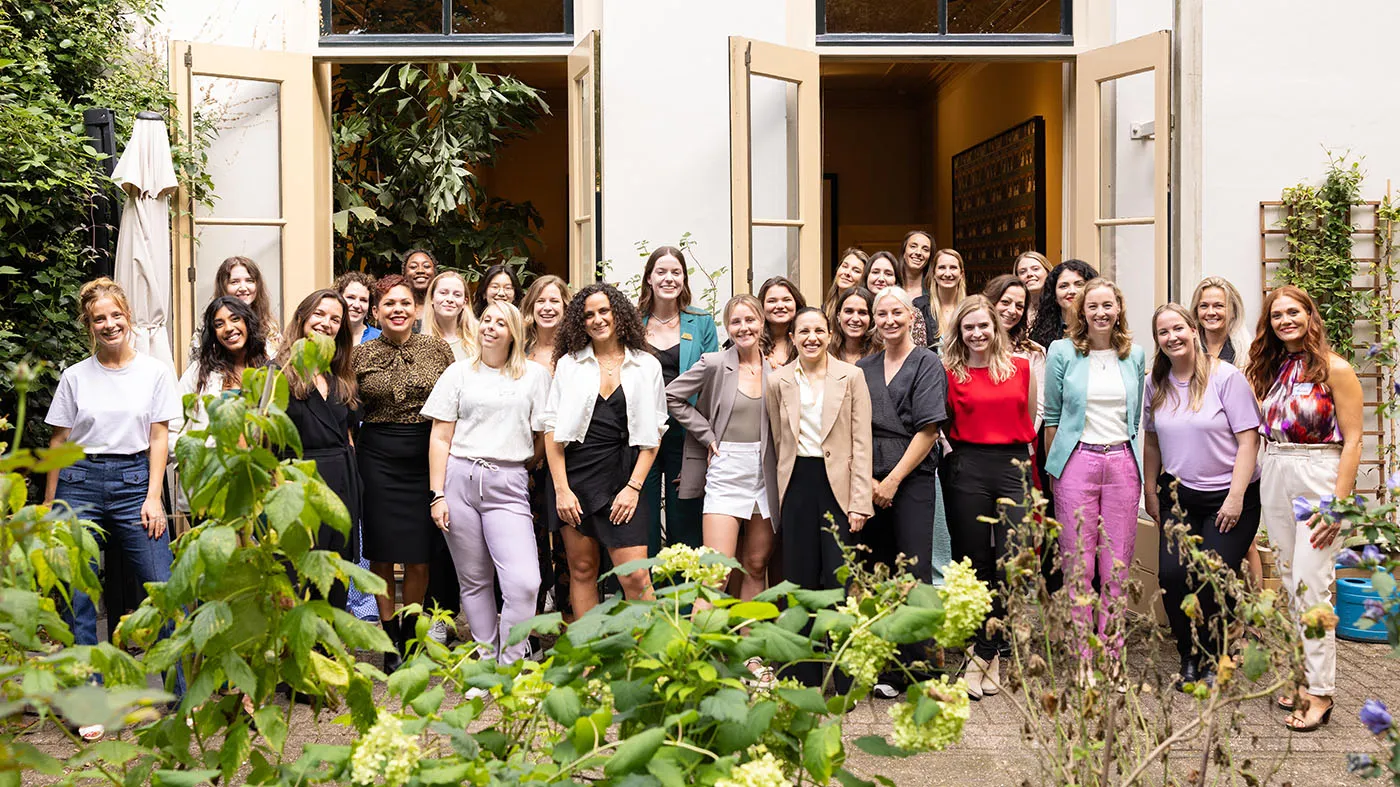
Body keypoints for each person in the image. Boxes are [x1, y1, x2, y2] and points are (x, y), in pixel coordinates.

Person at [44, 278, 184, 740]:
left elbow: (159, 436)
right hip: (78, 483)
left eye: (115, 315)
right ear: (89, 325)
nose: (109, 324)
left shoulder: (154, 372)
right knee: (78, 595)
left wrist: (154, 496)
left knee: (163, 587)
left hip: (134, 483)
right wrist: (49, 504)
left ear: (128, 317)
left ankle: (180, 697)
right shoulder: (75, 376)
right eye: (99, 318)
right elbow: (59, 442)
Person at [1245, 285, 1363, 732]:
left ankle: (1320, 691)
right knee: (1292, 581)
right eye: (1277, 315)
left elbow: (1354, 440)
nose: (1285, 320)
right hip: (1276, 466)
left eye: (1293, 312)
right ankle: (1301, 677)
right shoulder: (1270, 369)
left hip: (1318, 472)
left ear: (1310, 315)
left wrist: (1339, 504)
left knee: (1313, 584)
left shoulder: (1336, 369)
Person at [1141, 304, 1261, 691]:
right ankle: (1189, 654)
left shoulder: (1226, 378)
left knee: (1213, 577)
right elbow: (1152, 440)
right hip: (1178, 496)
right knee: (1173, 576)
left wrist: (1236, 497)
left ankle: (1215, 655)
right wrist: (1150, 490)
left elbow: (1249, 440)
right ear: (1157, 340)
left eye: (1178, 328)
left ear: (1193, 330)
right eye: (1163, 332)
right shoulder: (1155, 382)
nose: (1172, 337)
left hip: (1229, 497)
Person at [424, 301, 551, 666]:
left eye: (500, 323)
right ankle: (485, 660)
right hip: (459, 479)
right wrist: (437, 494)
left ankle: (510, 662)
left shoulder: (535, 375)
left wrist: (519, 466)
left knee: (524, 582)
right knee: (474, 579)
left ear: (514, 333)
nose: (490, 327)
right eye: (486, 320)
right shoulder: (458, 373)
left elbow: (543, 435)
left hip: (508, 483)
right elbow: (440, 437)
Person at [1043, 278, 1147, 680]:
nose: (1101, 313)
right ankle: (1084, 656)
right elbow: (1053, 416)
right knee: (1079, 566)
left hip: (1121, 462)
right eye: (1093, 306)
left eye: (1108, 305)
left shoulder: (1134, 354)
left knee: (1116, 566)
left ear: (1118, 309)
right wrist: (1054, 470)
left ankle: (1113, 655)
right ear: (1081, 312)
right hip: (1077, 462)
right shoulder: (1062, 351)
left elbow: (1135, 419)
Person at [352, 274, 456, 672]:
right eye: (389, 304)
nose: (398, 309)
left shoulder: (437, 349)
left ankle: (411, 636)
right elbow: (347, 407)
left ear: (416, 309)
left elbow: (454, 403)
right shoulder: (359, 355)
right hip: (376, 457)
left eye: (405, 303)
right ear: (376, 312)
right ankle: (389, 638)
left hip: (425, 455)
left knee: (419, 555)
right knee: (381, 552)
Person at [544, 283, 667, 615]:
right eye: (589, 315)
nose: (597, 319)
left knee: (636, 577)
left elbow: (654, 434)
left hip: (624, 477)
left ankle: (651, 649)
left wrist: (633, 488)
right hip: (575, 476)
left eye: (604, 311)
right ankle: (589, 650)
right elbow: (551, 429)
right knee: (583, 570)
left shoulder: (647, 365)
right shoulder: (569, 364)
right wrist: (562, 490)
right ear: (580, 322)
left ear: (618, 314)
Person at [767, 307, 873, 687]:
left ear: (830, 335)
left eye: (818, 331)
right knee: (799, 578)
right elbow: (778, 440)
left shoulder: (851, 376)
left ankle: (845, 676)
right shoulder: (778, 380)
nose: (811, 337)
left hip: (838, 487)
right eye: (803, 331)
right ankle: (804, 674)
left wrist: (860, 500)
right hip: (797, 483)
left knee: (839, 576)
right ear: (793, 337)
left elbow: (862, 442)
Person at [940, 295, 1037, 700]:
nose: (977, 333)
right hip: (968, 467)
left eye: (984, 326)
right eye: (969, 327)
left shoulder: (1021, 368)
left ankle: (983, 652)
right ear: (959, 332)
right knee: (975, 561)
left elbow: (1030, 415)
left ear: (996, 328)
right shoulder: (950, 372)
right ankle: (987, 652)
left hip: (1013, 466)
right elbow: (944, 422)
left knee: (1012, 561)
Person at [858, 286, 948, 696]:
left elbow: (929, 430)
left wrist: (893, 480)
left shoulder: (928, 363)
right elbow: (853, 428)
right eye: (882, 314)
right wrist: (870, 481)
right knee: (880, 570)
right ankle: (889, 666)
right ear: (874, 321)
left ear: (912, 317)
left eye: (897, 312)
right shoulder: (863, 367)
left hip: (911, 479)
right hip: (869, 479)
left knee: (914, 570)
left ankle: (921, 667)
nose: (889, 320)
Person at [665, 294, 780, 599]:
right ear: (727, 327)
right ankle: (701, 633)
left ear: (762, 322)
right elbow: (672, 396)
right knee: (716, 574)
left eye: (750, 319)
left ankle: (748, 632)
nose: (744, 327)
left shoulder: (776, 372)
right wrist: (707, 434)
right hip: (726, 469)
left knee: (756, 566)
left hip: (764, 473)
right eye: (735, 321)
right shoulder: (714, 363)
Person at [280, 289, 362, 610]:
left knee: (334, 586)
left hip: (341, 488)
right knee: (297, 584)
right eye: (319, 314)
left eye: (335, 319)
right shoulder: (277, 373)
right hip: (299, 487)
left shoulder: (341, 376)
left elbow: (348, 433)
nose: (326, 323)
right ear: (302, 317)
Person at [638, 246, 719, 555]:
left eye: (676, 272)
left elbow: (711, 385)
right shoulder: (632, 321)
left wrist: (706, 439)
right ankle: (642, 585)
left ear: (684, 279)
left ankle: (682, 589)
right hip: (642, 434)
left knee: (685, 526)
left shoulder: (701, 322)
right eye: (661, 272)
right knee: (642, 523)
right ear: (649, 278)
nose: (668, 278)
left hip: (686, 435)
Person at [173, 297, 271, 512]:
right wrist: (193, 462)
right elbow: (173, 425)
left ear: (247, 323)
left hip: (256, 483)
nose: (228, 328)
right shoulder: (198, 373)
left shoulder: (269, 370)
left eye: (235, 319)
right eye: (219, 324)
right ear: (213, 333)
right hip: (208, 483)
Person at [521, 274, 572, 615]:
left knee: (570, 545)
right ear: (530, 306)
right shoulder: (518, 350)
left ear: (566, 306)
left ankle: (569, 618)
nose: (547, 307)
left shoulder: (576, 352)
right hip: (527, 461)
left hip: (570, 459)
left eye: (555, 300)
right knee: (531, 543)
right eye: (541, 300)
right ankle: (533, 623)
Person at [191, 256, 282, 360]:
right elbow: (195, 366)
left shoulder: (269, 326)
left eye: (249, 280)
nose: (243, 288)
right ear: (223, 286)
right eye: (235, 282)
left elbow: (279, 364)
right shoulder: (207, 326)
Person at [865, 251, 930, 348]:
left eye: (888, 274)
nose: (881, 278)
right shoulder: (858, 312)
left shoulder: (912, 313)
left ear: (896, 279)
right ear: (866, 276)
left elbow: (919, 353)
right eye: (875, 272)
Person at [1030, 259, 1098, 351]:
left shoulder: (1101, 327)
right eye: (1063, 286)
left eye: (1079, 284)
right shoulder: (1041, 335)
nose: (1072, 291)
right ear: (1054, 295)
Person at [1191, 276, 1251, 364]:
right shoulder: (1188, 349)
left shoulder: (1248, 353)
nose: (1210, 312)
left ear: (1234, 311)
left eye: (1218, 306)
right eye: (1204, 306)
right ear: (1196, 311)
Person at [899, 231, 941, 349]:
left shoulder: (935, 293)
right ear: (904, 252)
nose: (918, 253)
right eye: (913, 246)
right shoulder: (890, 288)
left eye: (925, 249)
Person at [426, 270, 478, 362]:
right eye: (443, 293)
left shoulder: (479, 337)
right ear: (432, 298)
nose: (450, 299)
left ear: (464, 302)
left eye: (457, 295)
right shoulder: (420, 342)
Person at [758, 275, 805, 368]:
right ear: (761, 306)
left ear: (797, 303)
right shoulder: (752, 343)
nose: (780, 306)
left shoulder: (807, 340)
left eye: (786, 300)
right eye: (772, 301)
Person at [829, 286, 877, 364]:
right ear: (838, 316)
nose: (855, 319)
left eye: (862, 313)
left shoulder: (882, 354)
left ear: (871, 318)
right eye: (849, 311)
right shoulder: (825, 352)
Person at [928, 248, 968, 340]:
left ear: (961, 274)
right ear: (933, 273)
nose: (947, 274)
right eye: (942, 267)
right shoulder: (920, 308)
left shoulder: (971, 307)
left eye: (953, 268)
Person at [335, 271, 380, 346]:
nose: (356, 305)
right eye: (350, 297)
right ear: (338, 299)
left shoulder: (379, 338)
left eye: (363, 300)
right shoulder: (328, 334)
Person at [823, 248, 869, 317]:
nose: (847, 273)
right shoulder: (825, 310)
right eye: (845, 266)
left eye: (856, 271)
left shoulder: (868, 311)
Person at [1013, 251, 1051, 330]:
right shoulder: (1014, 310)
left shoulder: (1060, 306)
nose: (1029, 274)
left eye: (1035, 269)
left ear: (1048, 272)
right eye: (1022, 272)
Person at [402, 248, 437, 330]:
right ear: (404, 274)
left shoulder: (443, 306)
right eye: (413, 267)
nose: (420, 270)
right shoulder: (398, 307)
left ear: (434, 273)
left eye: (426, 266)